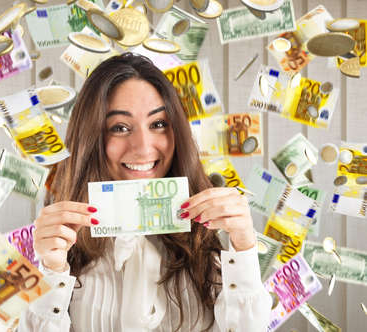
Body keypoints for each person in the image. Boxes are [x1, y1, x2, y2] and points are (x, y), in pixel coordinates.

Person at [19, 53, 271, 332]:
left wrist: (245, 248)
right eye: (120, 127)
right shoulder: (53, 243)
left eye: (158, 124)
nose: (143, 147)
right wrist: (53, 272)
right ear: (91, 138)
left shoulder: (214, 239)